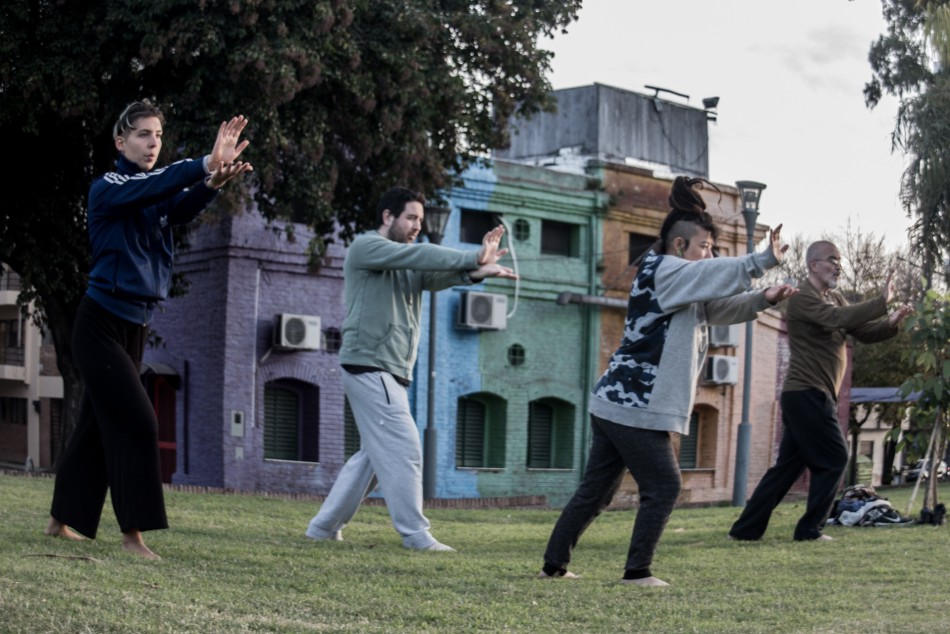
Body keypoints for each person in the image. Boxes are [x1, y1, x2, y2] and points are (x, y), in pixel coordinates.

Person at [539, 176, 796, 586]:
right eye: (705, 248)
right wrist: (760, 260)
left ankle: (553, 565)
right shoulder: (662, 269)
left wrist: (761, 299)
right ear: (680, 246)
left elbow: (717, 309)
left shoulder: (678, 283)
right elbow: (716, 276)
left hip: (613, 402)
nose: (710, 255)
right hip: (631, 404)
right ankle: (637, 572)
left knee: (597, 492)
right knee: (665, 484)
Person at [45, 101, 253, 559]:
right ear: (121, 142)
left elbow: (174, 209)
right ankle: (132, 535)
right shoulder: (109, 187)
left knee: (95, 426)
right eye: (143, 134)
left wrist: (211, 185)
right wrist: (202, 163)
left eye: (157, 134)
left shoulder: (149, 193)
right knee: (138, 421)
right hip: (98, 323)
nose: (152, 142)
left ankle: (60, 520)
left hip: (134, 325)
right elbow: (156, 187)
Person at [305, 186, 517, 551]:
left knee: (373, 455)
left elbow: (434, 275)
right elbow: (423, 256)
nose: (418, 225)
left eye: (420, 218)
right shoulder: (366, 246)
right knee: (403, 447)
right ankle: (415, 534)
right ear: (388, 217)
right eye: (412, 217)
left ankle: (323, 528)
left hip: (388, 370)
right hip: (370, 364)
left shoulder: (406, 262)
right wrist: (472, 256)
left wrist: (479, 270)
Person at [728, 240, 912, 542]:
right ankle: (809, 529)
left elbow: (861, 332)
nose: (838, 265)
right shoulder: (802, 298)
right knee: (836, 458)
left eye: (839, 260)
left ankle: (745, 530)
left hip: (812, 395)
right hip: (806, 393)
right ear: (814, 265)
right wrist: (880, 301)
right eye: (832, 259)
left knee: (786, 469)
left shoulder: (836, 297)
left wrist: (890, 322)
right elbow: (837, 319)